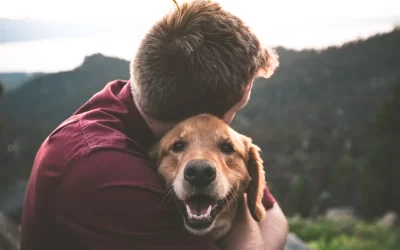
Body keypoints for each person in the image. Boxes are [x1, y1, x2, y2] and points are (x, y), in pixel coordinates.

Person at [20, 0, 288, 249]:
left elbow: (275, 217)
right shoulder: (104, 173)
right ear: (201, 117)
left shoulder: (141, 101)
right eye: (237, 108)